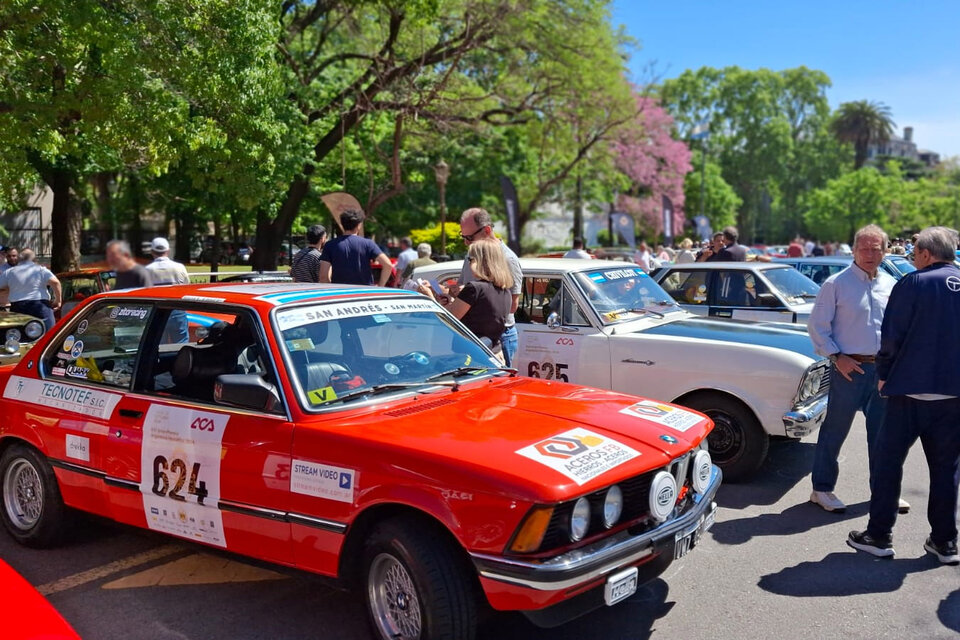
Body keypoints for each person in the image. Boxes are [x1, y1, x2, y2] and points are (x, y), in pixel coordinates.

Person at [847, 226, 960, 564]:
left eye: (915, 254)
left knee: (887, 461)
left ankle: (879, 534)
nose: (913, 258)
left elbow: (891, 337)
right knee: (946, 470)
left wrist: (883, 375)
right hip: (953, 396)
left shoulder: (912, 283)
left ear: (926, 254)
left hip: (909, 392)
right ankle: (945, 541)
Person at [806, 224, 905, 514]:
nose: (870, 254)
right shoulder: (836, 284)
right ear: (854, 249)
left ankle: (883, 492)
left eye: (876, 248)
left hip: (883, 372)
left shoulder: (890, 284)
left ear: (885, 251)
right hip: (848, 369)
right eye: (864, 247)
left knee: (883, 436)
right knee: (834, 432)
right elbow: (817, 328)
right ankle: (821, 489)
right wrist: (838, 357)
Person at [450, 208, 522, 366]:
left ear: (487, 230)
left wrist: (473, 298)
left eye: (469, 237)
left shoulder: (508, 259)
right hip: (473, 333)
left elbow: (512, 305)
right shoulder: (472, 254)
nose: (466, 243)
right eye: (463, 237)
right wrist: (460, 292)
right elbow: (464, 286)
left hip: (500, 334)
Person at [418, 238, 511, 350]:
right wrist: (450, 301)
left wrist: (430, 298)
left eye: (470, 259)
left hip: (470, 354)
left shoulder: (474, 288)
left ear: (479, 261)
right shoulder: (505, 291)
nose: (469, 262)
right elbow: (478, 315)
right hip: (492, 352)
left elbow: (449, 320)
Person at [319, 210, 392, 286]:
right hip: (364, 292)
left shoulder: (330, 245)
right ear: (359, 225)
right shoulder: (368, 244)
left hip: (339, 293)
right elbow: (388, 265)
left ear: (342, 225)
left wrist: (331, 288)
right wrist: (380, 286)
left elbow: (323, 277)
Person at [0, 249, 61, 331]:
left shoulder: (9, 272)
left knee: (21, 335)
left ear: (19, 259)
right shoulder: (41, 270)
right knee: (49, 333)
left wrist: (9, 289)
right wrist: (58, 300)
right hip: (40, 305)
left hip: (18, 307)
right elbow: (55, 282)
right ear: (34, 260)